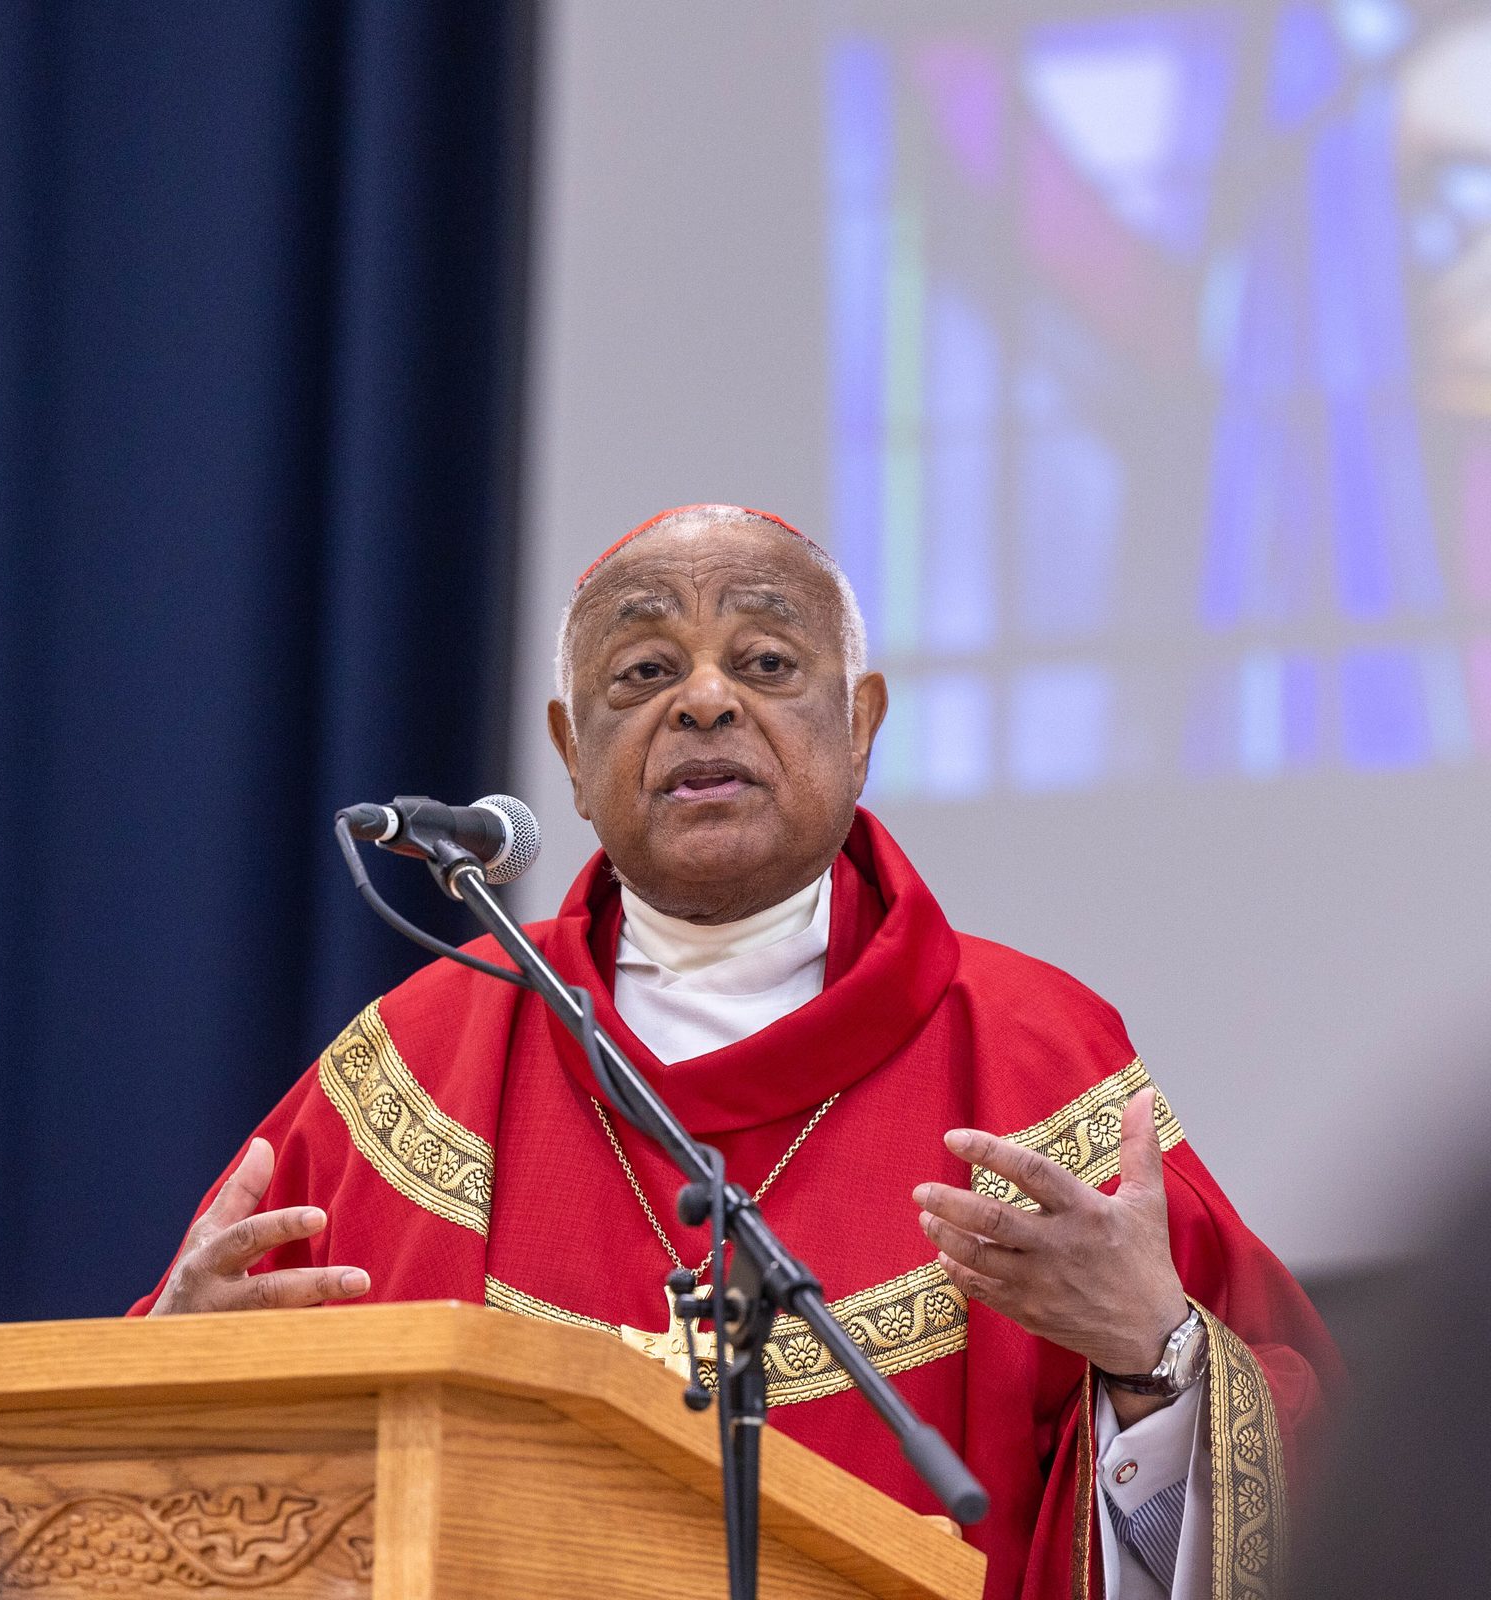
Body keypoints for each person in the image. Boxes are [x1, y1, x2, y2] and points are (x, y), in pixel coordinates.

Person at [132, 505, 1340, 1600]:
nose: (703, 701)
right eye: (644, 670)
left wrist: (1154, 1358)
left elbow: (1333, 1481)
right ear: (569, 750)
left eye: (765, 663)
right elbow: (158, 1484)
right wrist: (167, 1395)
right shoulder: (416, 1063)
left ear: (859, 721)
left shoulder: (1036, 1060)